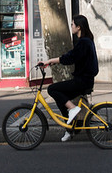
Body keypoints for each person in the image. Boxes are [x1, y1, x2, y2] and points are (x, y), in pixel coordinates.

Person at [42, 14, 98, 142]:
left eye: (72, 24)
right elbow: (72, 56)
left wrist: (51, 60)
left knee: (52, 89)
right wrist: (52, 62)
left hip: (82, 81)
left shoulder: (83, 42)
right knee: (60, 98)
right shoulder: (87, 40)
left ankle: (73, 109)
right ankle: (70, 127)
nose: (71, 26)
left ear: (78, 27)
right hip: (84, 80)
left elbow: (70, 58)